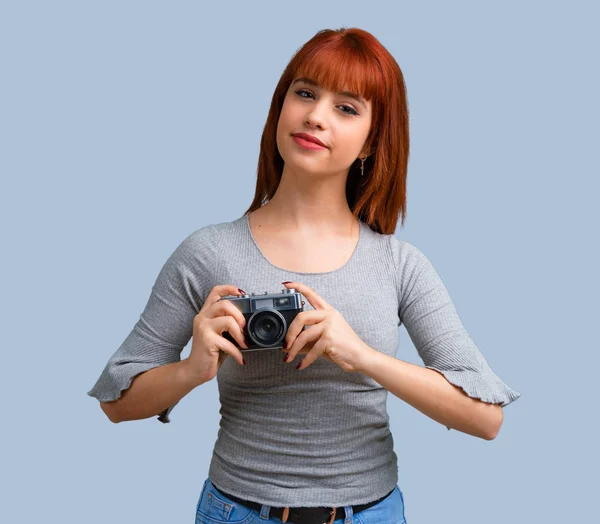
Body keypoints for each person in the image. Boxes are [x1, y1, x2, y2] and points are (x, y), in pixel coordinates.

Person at [88, 27, 521, 524]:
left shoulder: (400, 264)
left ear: (371, 143)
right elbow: (116, 402)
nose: (316, 116)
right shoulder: (206, 252)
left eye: (347, 108)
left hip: (371, 514)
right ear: (280, 108)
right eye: (306, 93)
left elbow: (486, 419)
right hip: (237, 511)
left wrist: (360, 356)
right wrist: (191, 369)